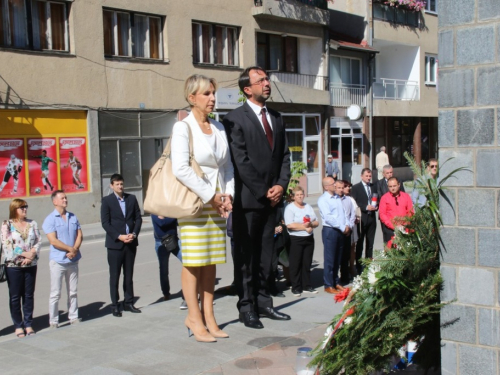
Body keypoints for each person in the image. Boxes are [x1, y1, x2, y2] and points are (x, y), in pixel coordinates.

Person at [223, 66, 291, 329]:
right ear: (247, 89)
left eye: (267, 79)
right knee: (246, 258)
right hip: (249, 202)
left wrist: (281, 186)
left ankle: (265, 303)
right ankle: (246, 307)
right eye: (260, 80)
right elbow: (240, 160)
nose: (267, 83)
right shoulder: (234, 119)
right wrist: (265, 191)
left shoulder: (276, 117)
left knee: (267, 257)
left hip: (273, 201)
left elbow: (284, 156)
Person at [171, 74, 234, 342]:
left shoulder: (219, 127)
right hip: (195, 202)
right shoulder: (183, 127)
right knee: (194, 262)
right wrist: (210, 195)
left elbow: (227, 166)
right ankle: (194, 317)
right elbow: (180, 168)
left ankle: (210, 316)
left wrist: (228, 195)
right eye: (206, 93)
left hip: (217, 202)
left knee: (210, 262)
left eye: (213, 93)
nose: (212, 98)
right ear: (191, 97)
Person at [101, 173, 142, 317]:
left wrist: (134, 234)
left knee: (129, 275)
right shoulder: (107, 201)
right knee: (115, 275)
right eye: (117, 184)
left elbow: (138, 218)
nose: (120, 186)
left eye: (121, 184)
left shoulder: (131, 199)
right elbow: (105, 223)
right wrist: (119, 236)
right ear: (112, 186)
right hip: (115, 245)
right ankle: (115, 305)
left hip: (130, 243)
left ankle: (129, 302)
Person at [1, 199, 41, 337]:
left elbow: (38, 241)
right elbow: (7, 245)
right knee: (15, 296)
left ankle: (28, 324)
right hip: (13, 265)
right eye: (21, 207)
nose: (25, 209)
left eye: (26, 207)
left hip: (31, 264)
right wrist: (25, 254)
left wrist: (31, 256)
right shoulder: (6, 225)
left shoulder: (32, 223)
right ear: (14, 209)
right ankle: (18, 326)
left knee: (29, 295)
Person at [42, 190, 82, 328]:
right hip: (58, 261)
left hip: (73, 260)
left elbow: (79, 235)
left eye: (66, 198)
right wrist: (70, 249)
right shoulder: (50, 219)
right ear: (55, 201)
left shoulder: (73, 216)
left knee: (73, 291)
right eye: (62, 198)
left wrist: (75, 249)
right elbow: (53, 241)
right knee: (55, 293)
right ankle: (54, 321)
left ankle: (74, 316)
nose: (65, 200)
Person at [284, 186, 319, 297]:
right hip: (296, 239)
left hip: (308, 238)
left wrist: (311, 225)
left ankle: (307, 285)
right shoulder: (290, 208)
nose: (300, 197)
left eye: (301, 194)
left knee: (306, 262)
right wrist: (304, 228)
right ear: (293, 197)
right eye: (297, 195)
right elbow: (289, 224)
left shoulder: (308, 206)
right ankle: (296, 287)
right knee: (296, 263)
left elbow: (316, 221)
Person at [318, 177, 349, 294]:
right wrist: (342, 227)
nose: (335, 185)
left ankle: (336, 282)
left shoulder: (337, 197)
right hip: (330, 230)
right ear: (326, 187)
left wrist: (346, 225)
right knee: (330, 259)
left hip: (340, 230)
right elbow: (328, 217)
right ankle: (328, 284)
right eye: (332, 184)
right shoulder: (323, 200)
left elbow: (343, 213)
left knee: (338, 258)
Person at [151, 215, 183, 302]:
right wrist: (173, 217)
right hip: (161, 242)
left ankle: (189, 289)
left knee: (187, 262)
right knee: (164, 270)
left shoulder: (170, 207)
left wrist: (169, 217)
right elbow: (161, 223)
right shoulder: (154, 209)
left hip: (174, 240)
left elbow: (178, 221)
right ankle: (166, 293)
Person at [351, 168, 377, 274]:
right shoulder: (356, 187)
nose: (368, 178)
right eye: (366, 176)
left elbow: (376, 199)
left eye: (370, 176)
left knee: (370, 243)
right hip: (362, 218)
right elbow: (354, 203)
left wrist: (376, 206)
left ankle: (368, 264)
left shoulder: (373, 186)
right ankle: (359, 265)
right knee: (360, 244)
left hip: (371, 219)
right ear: (362, 176)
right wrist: (366, 207)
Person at [379, 177, 413, 244]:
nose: (393, 188)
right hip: (390, 230)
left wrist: (405, 224)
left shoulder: (406, 196)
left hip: (404, 229)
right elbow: (382, 214)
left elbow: (410, 212)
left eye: (394, 186)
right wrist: (393, 226)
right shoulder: (384, 198)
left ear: (399, 185)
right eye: (390, 186)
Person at [336, 181, 356, 285]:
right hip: (337, 231)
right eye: (339, 187)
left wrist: (349, 227)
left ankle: (345, 276)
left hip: (348, 231)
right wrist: (342, 228)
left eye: (342, 187)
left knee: (346, 255)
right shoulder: (333, 200)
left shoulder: (348, 200)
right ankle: (335, 279)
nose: (341, 189)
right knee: (336, 255)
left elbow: (352, 214)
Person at [342, 180, 360, 278]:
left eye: (349, 186)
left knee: (353, 247)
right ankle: (344, 268)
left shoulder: (351, 199)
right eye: (346, 186)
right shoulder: (340, 199)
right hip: (345, 227)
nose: (348, 188)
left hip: (353, 225)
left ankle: (352, 267)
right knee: (345, 249)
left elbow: (356, 210)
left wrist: (357, 218)